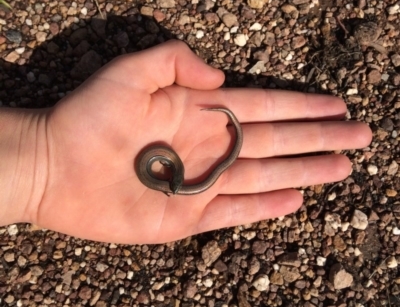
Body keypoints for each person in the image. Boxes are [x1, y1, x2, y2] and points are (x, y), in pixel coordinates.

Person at [0, 41, 372, 244]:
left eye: (172, 184)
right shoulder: (161, 168)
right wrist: (41, 159)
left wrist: (40, 161)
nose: (173, 188)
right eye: (174, 184)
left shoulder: (165, 170)